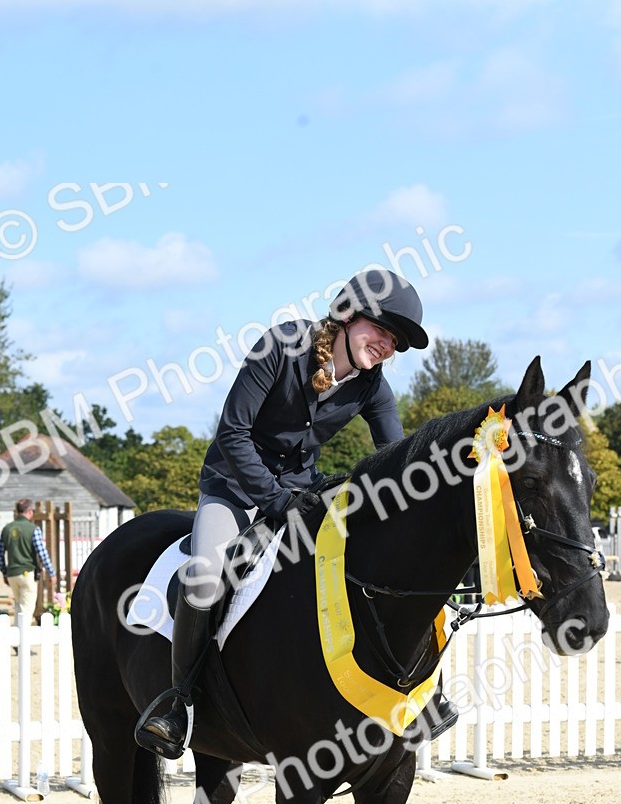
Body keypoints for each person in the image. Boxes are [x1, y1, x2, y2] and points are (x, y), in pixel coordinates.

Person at [136, 268, 458, 758]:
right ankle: (178, 702)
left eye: (395, 342)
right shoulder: (281, 347)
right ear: (347, 316)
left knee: (376, 563)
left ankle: (416, 694)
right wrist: (274, 499)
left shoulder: (373, 388)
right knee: (204, 578)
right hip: (235, 490)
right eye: (382, 331)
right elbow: (233, 434)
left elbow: (399, 457)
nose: (387, 346)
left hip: (303, 495)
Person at [0, 500, 56, 626]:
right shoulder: (33, 529)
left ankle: (17, 639)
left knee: (19, 605)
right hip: (27, 572)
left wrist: (4, 572)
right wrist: (51, 572)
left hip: (12, 573)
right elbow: (42, 553)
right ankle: (22, 641)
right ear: (29, 511)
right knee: (27, 608)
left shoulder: (6, 529)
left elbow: (0, 553)